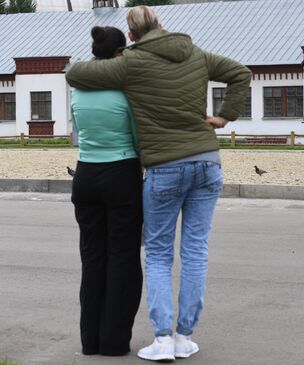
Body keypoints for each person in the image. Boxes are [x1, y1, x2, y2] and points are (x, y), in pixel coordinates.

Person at [66, 6, 252, 362]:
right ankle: (185, 336)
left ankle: (163, 339)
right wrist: (225, 115)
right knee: (195, 250)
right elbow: (240, 73)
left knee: (159, 253)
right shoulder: (196, 53)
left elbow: (76, 73)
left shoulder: (131, 63)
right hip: (207, 161)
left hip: (164, 167)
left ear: (132, 37)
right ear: (161, 24)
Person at [70, 26, 143, 356]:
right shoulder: (126, 87)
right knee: (123, 259)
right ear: (120, 53)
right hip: (121, 173)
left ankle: (90, 341)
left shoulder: (78, 87)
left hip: (85, 173)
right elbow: (138, 136)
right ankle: (114, 342)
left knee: (92, 258)